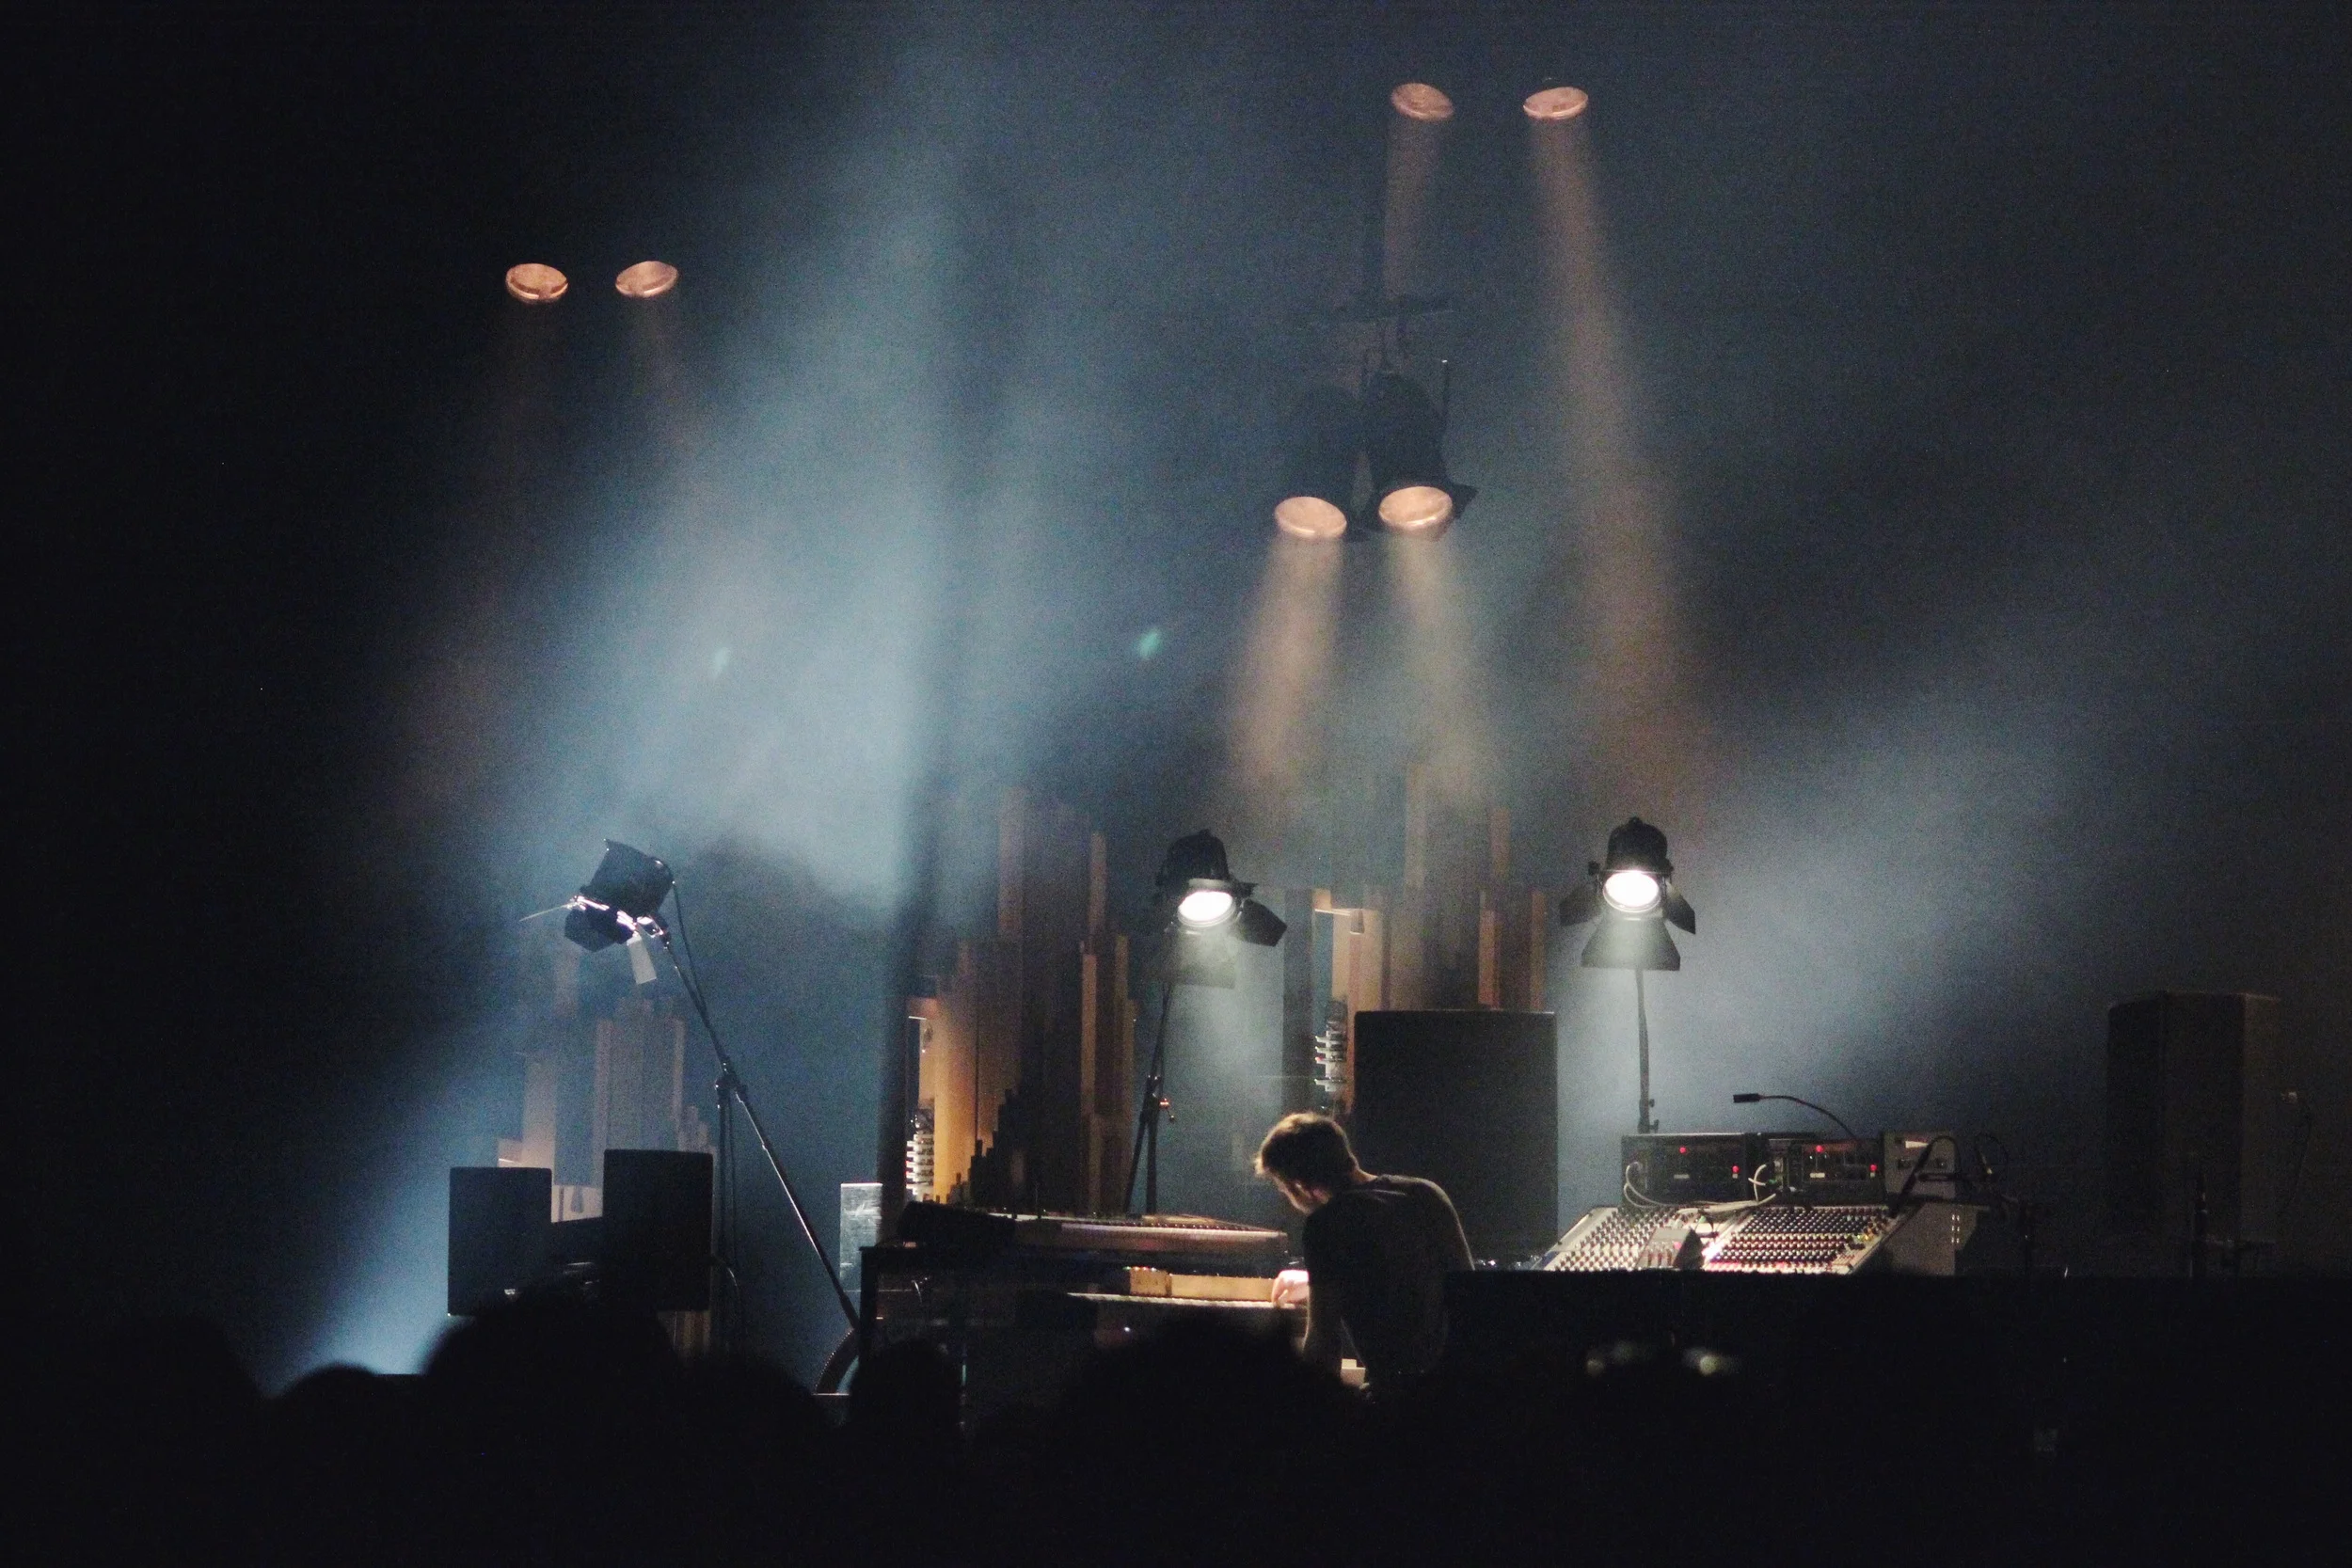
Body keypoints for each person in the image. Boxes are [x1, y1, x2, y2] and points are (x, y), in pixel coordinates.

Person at [1255, 1112, 1471, 1394]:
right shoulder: (1426, 1194)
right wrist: (1315, 1283)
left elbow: (1324, 1344)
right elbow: (1466, 1293)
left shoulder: (1328, 1224)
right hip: (1461, 1387)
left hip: (1398, 1398)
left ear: (1301, 1186)